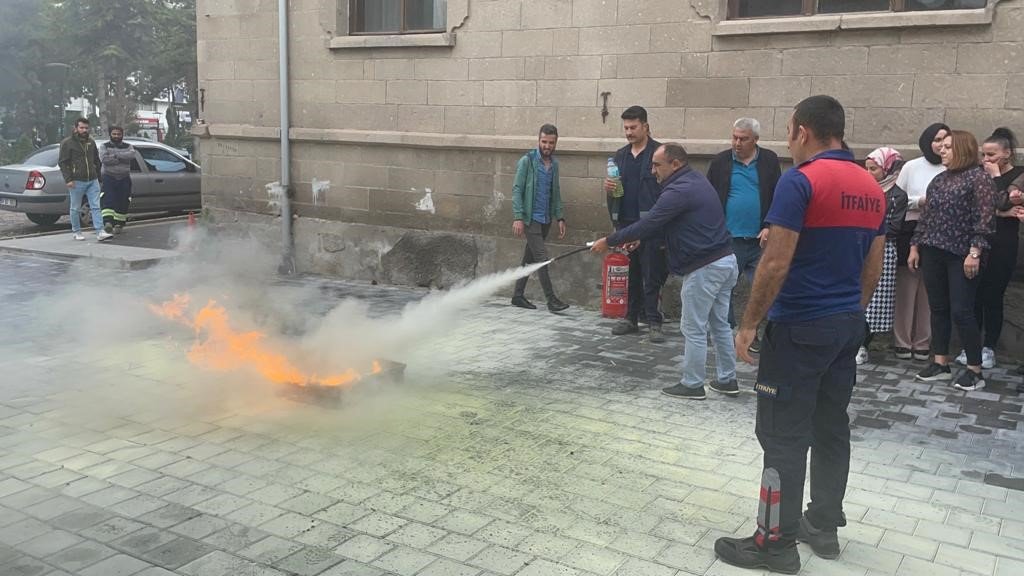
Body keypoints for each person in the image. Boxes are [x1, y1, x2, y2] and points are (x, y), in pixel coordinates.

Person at [715, 95, 885, 574]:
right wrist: (849, 313)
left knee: (781, 434)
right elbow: (873, 265)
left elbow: (775, 262)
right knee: (831, 425)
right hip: (845, 326)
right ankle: (823, 526)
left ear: (802, 131)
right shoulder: (870, 186)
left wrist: (749, 323)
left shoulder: (801, 180)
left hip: (799, 329)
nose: (788, 141)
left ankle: (774, 543)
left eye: (789, 131)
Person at [591, 143, 737, 400]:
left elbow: (650, 221)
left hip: (705, 268)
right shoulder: (695, 181)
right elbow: (670, 223)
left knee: (693, 327)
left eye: (657, 165)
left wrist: (609, 240)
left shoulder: (678, 190)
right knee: (719, 325)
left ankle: (692, 384)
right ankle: (727, 380)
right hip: (725, 261)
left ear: (675, 164)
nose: (652, 170)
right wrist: (640, 238)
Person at [910, 130, 997, 392]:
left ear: (962, 149)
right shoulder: (939, 180)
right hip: (933, 251)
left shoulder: (978, 178)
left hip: (961, 254)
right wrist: (915, 246)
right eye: (942, 146)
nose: (942, 150)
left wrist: (975, 252)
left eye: (948, 147)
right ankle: (940, 362)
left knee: (962, 310)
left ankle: (975, 369)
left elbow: (985, 219)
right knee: (938, 307)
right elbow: (926, 217)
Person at [706, 117, 782, 353]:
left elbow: (777, 196)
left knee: (763, 288)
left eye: (743, 139)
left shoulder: (769, 160)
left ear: (755, 140)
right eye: (734, 138)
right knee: (723, 288)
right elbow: (709, 197)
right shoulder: (721, 161)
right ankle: (726, 332)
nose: (737, 143)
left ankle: (751, 333)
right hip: (729, 239)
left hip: (760, 240)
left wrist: (769, 225)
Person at [954, 128, 1024, 369]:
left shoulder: (1018, 175)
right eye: (983, 155)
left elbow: (1002, 200)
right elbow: (974, 207)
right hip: (977, 242)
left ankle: (989, 347)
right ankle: (971, 345)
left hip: (1003, 244)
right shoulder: (977, 174)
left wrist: (995, 178)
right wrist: (1002, 212)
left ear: (1007, 153)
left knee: (993, 296)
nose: (986, 160)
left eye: (992, 155)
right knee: (973, 295)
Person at [604, 106, 669, 342]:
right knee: (630, 274)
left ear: (645, 126)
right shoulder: (620, 156)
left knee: (652, 275)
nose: (629, 132)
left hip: (650, 226)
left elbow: (666, 192)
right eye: (626, 128)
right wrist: (609, 190)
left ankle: (653, 321)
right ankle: (630, 318)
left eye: (633, 127)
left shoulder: (659, 154)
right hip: (626, 224)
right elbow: (614, 193)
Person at [893, 123, 949, 361]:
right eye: (937, 140)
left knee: (931, 288)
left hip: (940, 232)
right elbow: (897, 199)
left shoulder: (951, 167)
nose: (941, 145)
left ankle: (924, 341)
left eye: (946, 140)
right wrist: (920, 201)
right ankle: (902, 340)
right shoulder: (912, 166)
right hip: (911, 229)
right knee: (907, 287)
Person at [510, 124, 569, 313]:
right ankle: (551, 300)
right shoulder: (527, 161)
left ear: (556, 143)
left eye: (551, 143)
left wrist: (560, 217)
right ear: (538, 140)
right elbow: (517, 190)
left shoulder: (554, 165)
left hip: (546, 218)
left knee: (529, 258)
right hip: (530, 218)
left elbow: (556, 191)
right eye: (544, 142)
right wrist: (518, 217)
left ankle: (517, 295)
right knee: (542, 258)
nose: (547, 146)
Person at [857, 147, 907, 365]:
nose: (868, 173)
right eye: (866, 168)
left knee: (875, 301)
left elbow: (894, 226)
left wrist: (869, 230)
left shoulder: (897, 195)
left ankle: (863, 344)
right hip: (860, 247)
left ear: (887, 169)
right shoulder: (861, 189)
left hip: (883, 249)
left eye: (874, 169)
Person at [59, 118, 113, 242]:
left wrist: (99, 176)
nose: (84, 130)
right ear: (76, 128)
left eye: (86, 128)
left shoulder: (91, 142)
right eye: (81, 128)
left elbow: (96, 160)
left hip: (92, 179)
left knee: (96, 206)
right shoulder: (67, 143)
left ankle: (100, 231)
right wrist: (68, 179)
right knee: (75, 207)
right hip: (76, 180)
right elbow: (63, 162)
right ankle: (76, 231)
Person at [100, 125, 134, 234]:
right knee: (108, 199)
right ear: (110, 134)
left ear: (122, 135)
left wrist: (115, 155)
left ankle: (119, 224)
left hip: (124, 178)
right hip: (109, 177)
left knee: (123, 201)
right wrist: (122, 157)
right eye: (114, 134)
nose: (116, 136)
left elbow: (131, 155)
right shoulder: (104, 146)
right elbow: (104, 159)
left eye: (118, 134)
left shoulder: (128, 146)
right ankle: (108, 223)